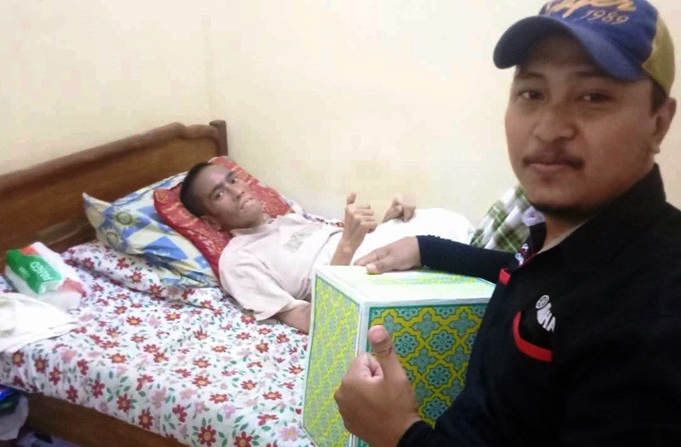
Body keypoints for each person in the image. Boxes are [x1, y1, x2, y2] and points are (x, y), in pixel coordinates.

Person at [334, 0, 681, 446]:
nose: (549, 128)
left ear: (658, 122)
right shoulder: (571, 236)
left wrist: (398, 433)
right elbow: (530, 275)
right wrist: (427, 247)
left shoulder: (656, 317)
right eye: (532, 94)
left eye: (593, 96)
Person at [179, 162, 475, 333]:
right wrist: (347, 245)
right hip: (362, 280)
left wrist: (389, 220)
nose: (236, 190)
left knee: (445, 221)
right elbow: (312, 321)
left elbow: (351, 243)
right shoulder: (237, 260)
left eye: (233, 180)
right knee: (455, 237)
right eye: (219, 194)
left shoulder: (287, 219)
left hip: (374, 251)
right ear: (211, 221)